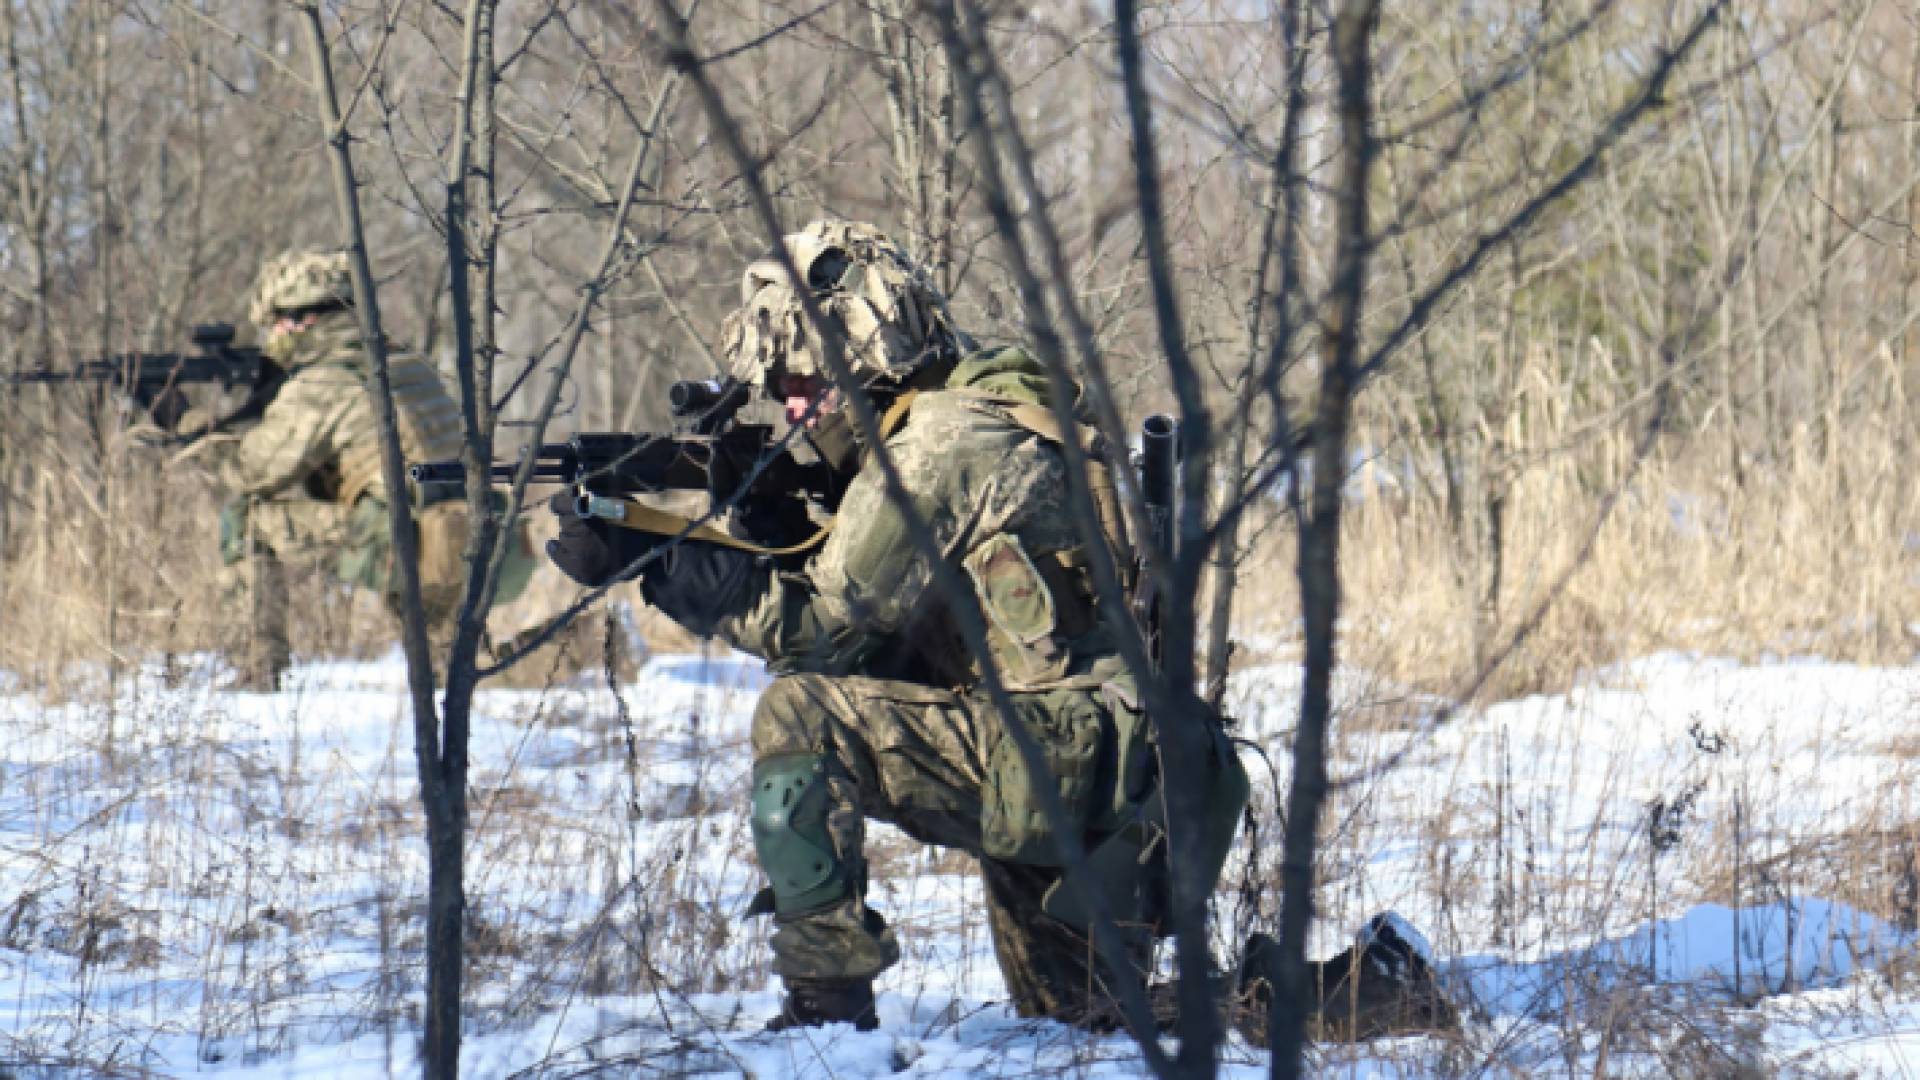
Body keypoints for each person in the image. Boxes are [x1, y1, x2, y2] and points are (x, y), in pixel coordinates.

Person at [544, 220, 1452, 1038]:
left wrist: (657, 561)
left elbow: (821, 638)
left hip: (1071, 756)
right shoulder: (984, 403)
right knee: (1085, 1020)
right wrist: (768, 523)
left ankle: (826, 1012)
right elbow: (898, 631)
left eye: (801, 383)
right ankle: (1372, 989)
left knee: (799, 716)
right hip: (1117, 768)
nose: (790, 407)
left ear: (866, 358)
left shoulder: (942, 443)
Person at [202, 249, 532, 688]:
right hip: (467, 532)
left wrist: (192, 429)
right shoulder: (410, 365)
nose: (273, 336)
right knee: (459, 673)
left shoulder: (324, 382)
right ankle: (588, 647)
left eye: (277, 323)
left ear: (304, 320)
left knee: (246, 521)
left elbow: (253, 474)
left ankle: (257, 672)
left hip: (406, 540)